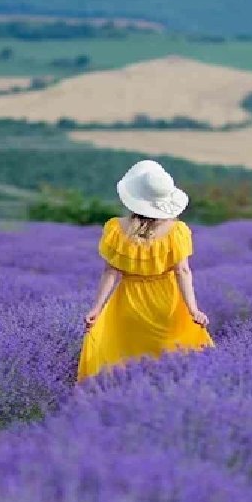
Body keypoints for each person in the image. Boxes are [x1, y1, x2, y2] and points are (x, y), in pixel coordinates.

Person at [76, 160, 213, 381]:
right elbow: (183, 272)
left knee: (124, 357)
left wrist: (96, 308)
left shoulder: (115, 229)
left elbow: (110, 272)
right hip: (166, 302)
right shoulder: (177, 231)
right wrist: (193, 310)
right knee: (169, 360)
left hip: (128, 301)